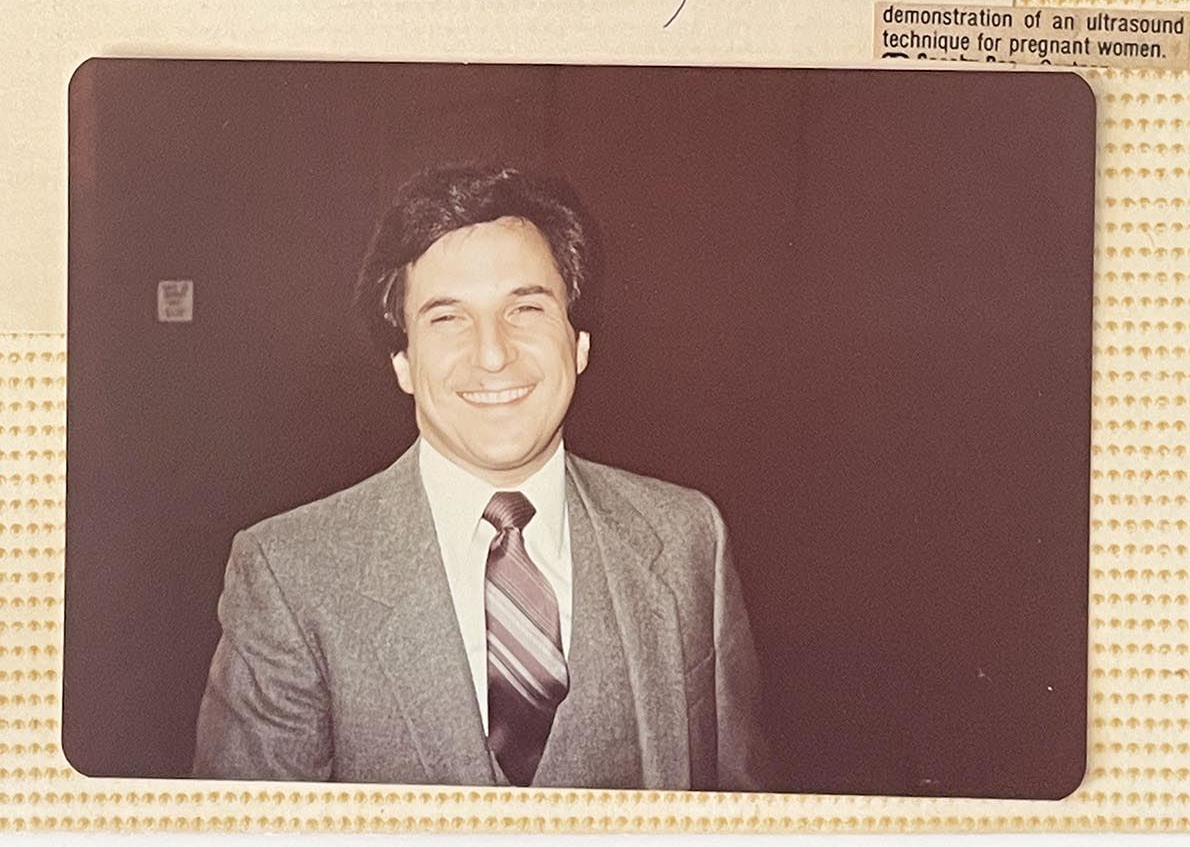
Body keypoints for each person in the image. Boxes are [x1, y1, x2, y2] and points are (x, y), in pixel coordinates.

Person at [192, 162, 769, 789]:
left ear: (578, 342)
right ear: (403, 361)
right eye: (448, 318)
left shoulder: (687, 541)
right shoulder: (289, 575)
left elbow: (746, 812)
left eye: (525, 307)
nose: (493, 353)